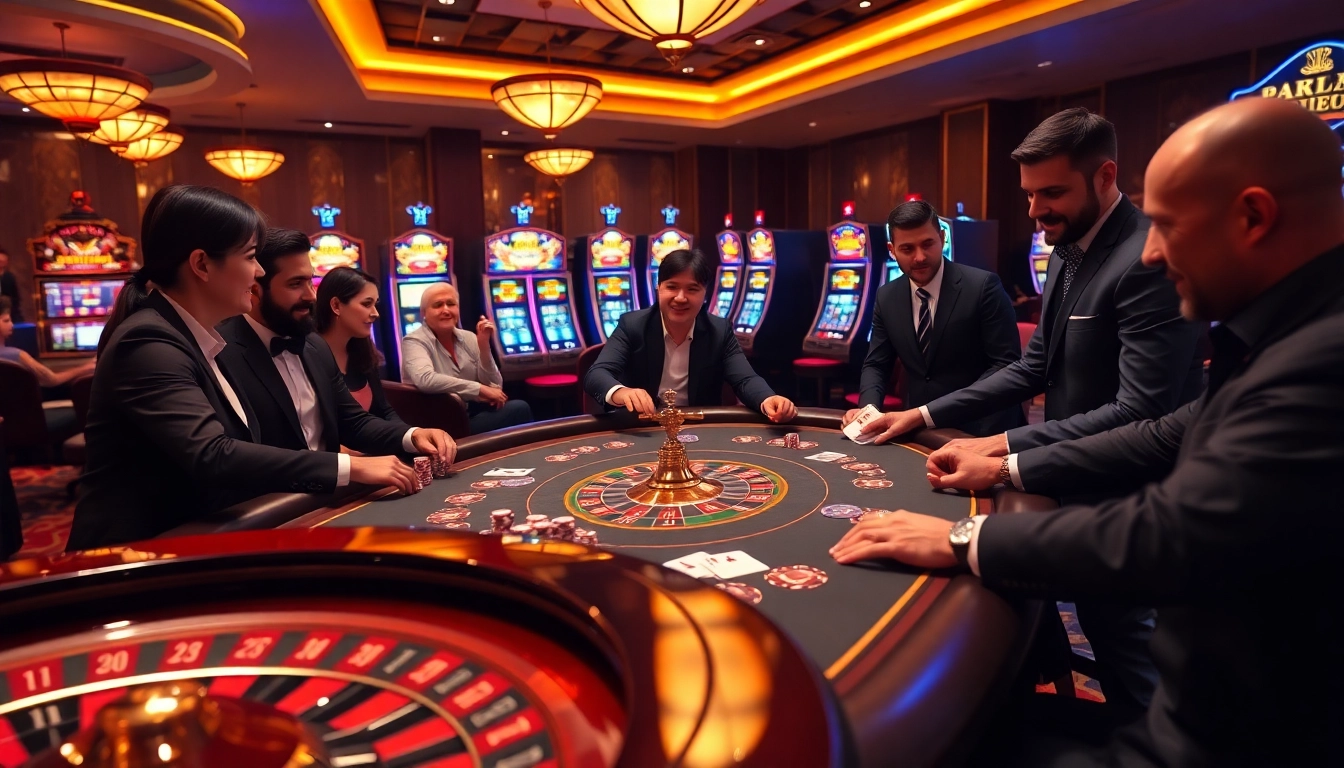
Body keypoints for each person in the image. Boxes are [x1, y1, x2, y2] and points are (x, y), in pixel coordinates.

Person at [831, 98, 1344, 767]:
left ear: (1253, 216)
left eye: (1167, 223)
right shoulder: (1277, 331)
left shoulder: (1322, 359)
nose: (1153, 251)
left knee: (1116, 657)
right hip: (1212, 695)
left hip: (1234, 732)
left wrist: (967, 531)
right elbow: (1136, 409)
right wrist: (975, 437)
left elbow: (1166, 507)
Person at [857, 109, 1210, 719]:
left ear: (1105, 177)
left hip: (1128, 491)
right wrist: (921, 413)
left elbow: (1137, 411)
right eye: (1028, 194)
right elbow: (1032, 368)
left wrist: (1005, 459)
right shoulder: (1065, 253)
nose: (1034, 211)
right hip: (1066, 472)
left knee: (1125, 644)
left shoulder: (1143, 260)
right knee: (1060, 621)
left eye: (1052, 192)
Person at [70, 186, 433, 551]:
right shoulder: (149, 341)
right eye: (249, 257)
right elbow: (212, 454)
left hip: (201, 537)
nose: (257, 271)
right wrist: (351, 468)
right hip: (134, 557)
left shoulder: (194, 334)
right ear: (201, 265)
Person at [217, 229, 455, 461]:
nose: (311, 296)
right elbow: (241, 455)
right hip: (275, 498)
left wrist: (412, 435)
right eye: (295, 284)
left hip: (335, 493)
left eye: (310, 282)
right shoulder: (220, 351)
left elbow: (353, 421)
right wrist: (348, 468)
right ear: (255, 290)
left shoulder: (314, 345)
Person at [843, 200, 1023, 437]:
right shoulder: (886, 296)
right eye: (907, 249)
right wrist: (868, 409)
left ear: (942, 237)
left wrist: (932, 412)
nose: (919, 257)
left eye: (927, 244)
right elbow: (877, 363)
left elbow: (1004, 365)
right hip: (921, 430)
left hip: (985, 428)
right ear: (892, 249)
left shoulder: (983, 287)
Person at [584, 248, 797, 421]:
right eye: (672, 287)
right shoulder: (633, 325)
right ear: (659, 289)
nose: (680, 297)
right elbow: (597, 374)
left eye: (692, 289)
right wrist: (622, 393)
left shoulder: (719, 330)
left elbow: (745, 379)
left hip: (700, 429)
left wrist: (768, 398)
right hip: (644, 425)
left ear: (705, 294)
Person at [401, 282, 532, 434]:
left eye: (451, 304)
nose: (446, 310)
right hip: (437, 424)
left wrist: (483, 345)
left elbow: (495, 386)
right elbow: (425, 379)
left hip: (468, 413)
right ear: (423, 313)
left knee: (519, 408)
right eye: (438, 305)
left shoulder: (468, 337)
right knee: (519, 410)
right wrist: (478, 389)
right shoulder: (413, 341)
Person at [315, 266, 397, 420]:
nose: (375, 313)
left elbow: (384, 411)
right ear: (336, 306)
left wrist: (413, 436)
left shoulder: (363, 351)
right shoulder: (308, 356)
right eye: (366, 304)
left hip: (371, 443)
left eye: (375, 304)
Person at [0, 296, 94, 387]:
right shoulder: (18, 355)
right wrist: (87, 368)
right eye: (6, 321)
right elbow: (52, 380)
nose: (11, 325)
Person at [0, 249, 21, 323]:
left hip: (9, 311)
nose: (1, 262)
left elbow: (16, 296)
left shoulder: (9, 277)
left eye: (4, 260)